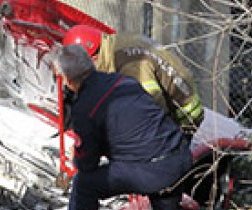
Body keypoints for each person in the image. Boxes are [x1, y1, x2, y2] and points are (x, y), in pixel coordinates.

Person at [40, 44, 198, 210]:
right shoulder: (122, 81)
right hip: (176, 156)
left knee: (85, 184)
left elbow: (87, 163)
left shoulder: (86, 107)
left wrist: (80, 155)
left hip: (148, 168)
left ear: (68, 80)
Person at [62, 25, 204, 133]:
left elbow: (150, 105)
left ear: (93, 58)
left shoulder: (130, 63)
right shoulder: (114, 45)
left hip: (183, 117)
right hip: (171, 106)